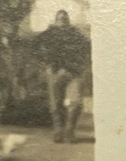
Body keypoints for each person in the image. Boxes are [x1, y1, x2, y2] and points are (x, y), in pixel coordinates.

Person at [31, 10, 91, 143]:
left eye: (65, 18)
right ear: (56, 20)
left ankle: (70, 131)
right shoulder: (49, 33)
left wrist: (80, 65)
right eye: (60, 18)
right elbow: (33, 45)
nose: (62, 20)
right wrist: (45, 63)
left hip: (73, 73)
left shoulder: (76, 34)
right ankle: (58, 131)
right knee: (55, 104)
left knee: (75, 103)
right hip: (54, 72)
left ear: (68, 20)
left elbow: (88, 48)